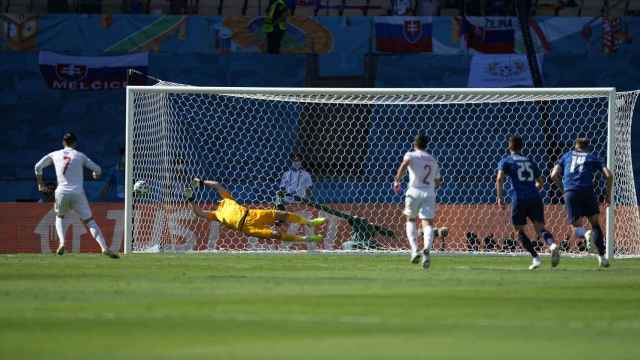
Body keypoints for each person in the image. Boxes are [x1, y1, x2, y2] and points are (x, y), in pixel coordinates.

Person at [34, 132, 119, 258]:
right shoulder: (80, 156)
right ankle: (104, 247)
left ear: (63, 143)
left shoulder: (54, 154)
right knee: (90, 221)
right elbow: (98, 169)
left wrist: (40, 183)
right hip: (77, 193)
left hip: (61, 192)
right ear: (75, 143)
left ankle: (62, 242)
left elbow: (37, 166)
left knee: (60, 217)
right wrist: (96, 174)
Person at [186, 178, 325, 242]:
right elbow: (199, 213)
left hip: (252, 214)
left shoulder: (228, 199)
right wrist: (191, 200)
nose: (215, 203)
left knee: (281, 214)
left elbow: (216, 185)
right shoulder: (216, 214)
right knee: (275, 234)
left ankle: (309, 222)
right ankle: (306, 239)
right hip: (247, 228)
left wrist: (201, 183)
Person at [496, 135, 559, 270]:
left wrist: (500, 198)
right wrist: (532, 189)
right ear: (522, 147)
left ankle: (536, 258)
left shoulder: (506, 161)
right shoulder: (530, 161)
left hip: (519, 198)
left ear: (509, 146)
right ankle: (552, 245)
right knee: (540, 228)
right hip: (535, 197)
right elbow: (541, 182)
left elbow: (499, 179)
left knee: (519, 230)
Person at [550, 138, 613, 268]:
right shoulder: (591, 157)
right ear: (587, 147)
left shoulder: (566, 155)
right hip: (588, 192)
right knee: (595, 224)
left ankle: (585, 234)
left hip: (571, 192)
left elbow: (553, 174)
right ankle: (602, 258)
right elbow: (609, 175)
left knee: (575, 225)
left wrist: (563, 190)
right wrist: (608, 195)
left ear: (575, 146)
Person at [393, 134, 442, 270]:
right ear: (426, 145)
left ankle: (414, 250)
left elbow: (404, 165)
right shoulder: (432, 159)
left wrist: (397, 180)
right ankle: (426, 249)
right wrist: (432, 186)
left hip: (413, 191)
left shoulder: (411, 155)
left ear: (414, 144)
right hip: (429, 193)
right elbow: (438, 181)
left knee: (411, 220)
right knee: (427, 223)